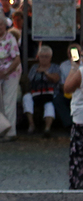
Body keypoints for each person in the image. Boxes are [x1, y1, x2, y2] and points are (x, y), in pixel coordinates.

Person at [23, 46, 61, 136]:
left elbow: (56, 79)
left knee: (49, 105)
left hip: (50, 93)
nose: (44, 59)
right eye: (42, 56)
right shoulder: (34, 68)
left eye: (46, 56)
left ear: (51, 57)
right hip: (36, 92)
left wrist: (46, 73)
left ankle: (47, 128)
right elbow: (29, 80)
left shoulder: (55, 67)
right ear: (38, 57)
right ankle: (31, 125)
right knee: (26, 97)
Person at [63, 57, 83, 189]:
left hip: (81, 117)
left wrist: (73, 67)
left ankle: (78, 182)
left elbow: (67, 88)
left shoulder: (81, 72)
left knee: (79, 154)